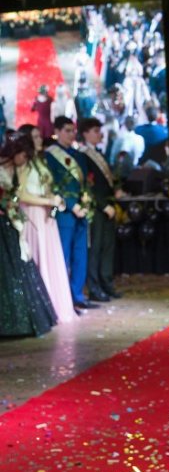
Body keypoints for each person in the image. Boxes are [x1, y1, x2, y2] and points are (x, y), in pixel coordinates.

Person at [15, 125, 75, 324]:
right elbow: (21, 195)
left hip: (46, 215)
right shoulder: (24, 163)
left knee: (51, 258)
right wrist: (47, 201)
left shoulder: (40, 161)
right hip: (32, 214)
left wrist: (55, 199)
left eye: (39, 136)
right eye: (35, 137)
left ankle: (55, 307)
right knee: (38, 257)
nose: (40, 139)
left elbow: (46, 188)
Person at [0, 134, 57, 337]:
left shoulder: (14, 169)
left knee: (20, 267)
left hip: (10, 221)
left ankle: (24, 321)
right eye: (23, 155)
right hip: (4, 221)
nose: (24, 160)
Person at [44, 116, 97, 312]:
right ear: (57, 131)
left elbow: (85, 183)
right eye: (67, 130)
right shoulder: (49, 156)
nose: (71, 134)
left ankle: (77, 295)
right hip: (64, 211)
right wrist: (72, 204)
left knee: (80, 255)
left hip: (81, 210)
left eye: (73, 130)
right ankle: (63, 299)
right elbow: (51, 185)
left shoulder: (79, 155)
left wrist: (85, 201)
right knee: (63, 255)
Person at [76, 116, 122, 301]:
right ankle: (94, 288)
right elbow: (88, 185)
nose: (99, 134)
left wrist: (116, 190)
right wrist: (103, 205)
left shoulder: (99, 153)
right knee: (95, 248)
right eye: (95, 131)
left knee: (107, 247)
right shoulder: (83, 155)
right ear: (85, 133)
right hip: (96, 208)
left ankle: (107, 283)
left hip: (108, 205)